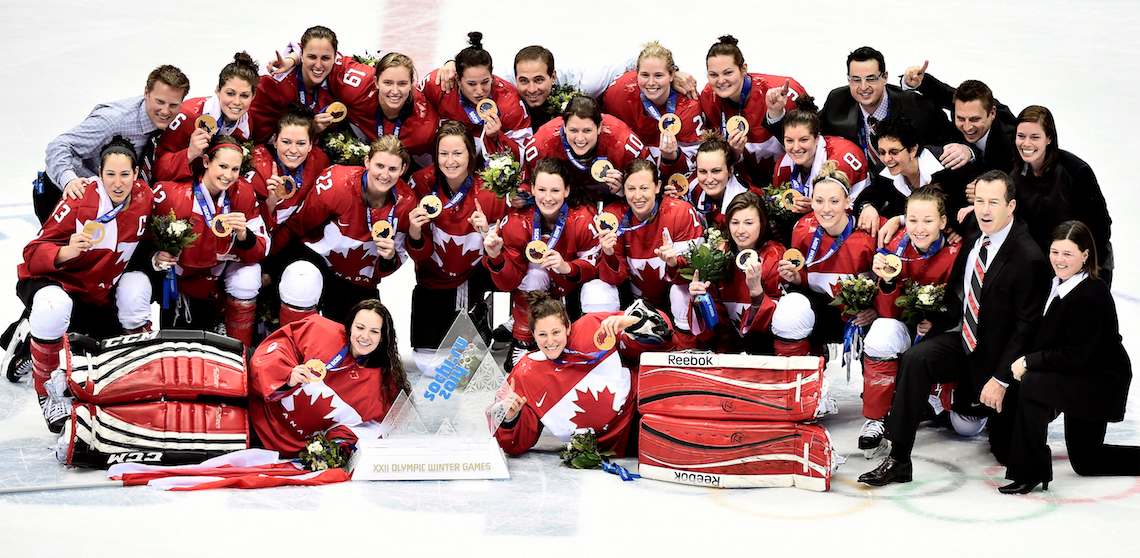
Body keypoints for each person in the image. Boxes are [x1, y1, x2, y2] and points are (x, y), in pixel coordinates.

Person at [859, 170, 1051, 487]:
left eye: (994, 202)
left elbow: (1027, 330)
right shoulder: (974, 230)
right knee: (916, 360)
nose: (985, 210)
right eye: (979, 201)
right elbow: (959, 292)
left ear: (1011, 206)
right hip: (965, 341)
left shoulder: (1029, 257)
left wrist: (1001, 380)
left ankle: (1004, 417)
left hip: (1001, 359)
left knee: (1005, 453)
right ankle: (898, 459)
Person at [17, 136, 155, 432]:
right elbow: (31, 253)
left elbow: (144, 245)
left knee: (137, 289)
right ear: (99, 174)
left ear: (136, 174)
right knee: (54, 307)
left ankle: (141, 380)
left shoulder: (145, 197)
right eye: (110, 174)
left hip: (100, 295)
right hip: (61, 283)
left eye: (125, 174)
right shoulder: (80, 198)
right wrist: (66, 251)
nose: (117, 183)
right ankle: (48, 393)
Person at [1001, 221, 1137, 493]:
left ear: (1085, 256)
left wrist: (1029, 362)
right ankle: (1031, 468)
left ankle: (1030, 471)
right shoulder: (1057, 283)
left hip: (1098, 381)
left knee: (1033, 385)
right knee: (1088, 461)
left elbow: (1073, 356)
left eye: (1068, 254)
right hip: (1079, 374)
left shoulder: (1089, 295)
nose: (1059, 260)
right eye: (1055, 252)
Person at [495, 291, 673, 456]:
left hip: (641, 412)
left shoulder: (593, 326)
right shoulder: (524, 374)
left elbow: (666, 339)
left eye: (556, 332)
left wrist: (633, 322)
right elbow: (512, 443)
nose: (550, 341)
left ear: (568, 327)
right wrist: (509, 417)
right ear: (533, 335)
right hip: (604, 449)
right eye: (542, 334)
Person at [271, 135, 416, 328]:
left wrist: (389, 257)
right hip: (316, 259)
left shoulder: (406, 202)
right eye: (379, 166)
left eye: (392, 169)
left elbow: (384, 270)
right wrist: (269, 266)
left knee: (361, 334)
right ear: (367, 161)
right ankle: (291, 348)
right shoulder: (338, 183)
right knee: (301, 279)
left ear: (403, 170)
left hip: (355, 281)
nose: (384, 175)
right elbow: (297, 226)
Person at [859, 187, 962, 452]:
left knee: (966, 427)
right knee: (881, 333)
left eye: (928, 221)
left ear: (942, 222)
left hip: (946, 335)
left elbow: (964, 306)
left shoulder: (957, 251)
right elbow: (888, 313)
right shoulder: (895, 246)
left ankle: (939, 398)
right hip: (907, 327)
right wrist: (888, 281)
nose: (919, 228)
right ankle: (876, 417)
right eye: (913, 220)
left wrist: (940, 325)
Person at [483, 158, 606, 370]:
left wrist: (568, 267)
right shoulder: (517, 220)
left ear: (567, 190)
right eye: (541, 190)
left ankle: (571, 332)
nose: (548, 198)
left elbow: (596, 267)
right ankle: (523, 337)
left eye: (555, 191)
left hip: (571, 289)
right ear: (532, 189)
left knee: (598, 291)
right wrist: (496, 256)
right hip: (537, 288)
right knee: (535, 274)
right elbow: (508, 282)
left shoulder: (583, 219)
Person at [406, 121, 509, 372]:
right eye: (443, 153)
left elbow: (509, 247)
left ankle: (481, 316)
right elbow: (414, 250)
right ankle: (477, 318)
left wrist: (486, 231)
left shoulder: (489, 189)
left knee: (461, 367)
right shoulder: (420, 183)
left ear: (470, 155)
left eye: (457, 153)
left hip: (476, 272)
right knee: (428, 365)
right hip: (434, 274)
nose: (450, 161)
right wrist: (414, 230)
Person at [248, 299, 410, 457]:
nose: (365, 336)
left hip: (277, 439)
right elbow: (279, 345)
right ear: (350, 326)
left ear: (382, 337)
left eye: (374, 331)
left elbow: (377, 429)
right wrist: (285, 375)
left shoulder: (383, 387)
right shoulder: (319, 330)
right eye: (360, 328)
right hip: (256, 389)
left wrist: (338, 444)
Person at [149, 135, 270, 348]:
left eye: (235, 169)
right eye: (222, 166)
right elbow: (139, 239)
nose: (228, 175)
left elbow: (261, 249)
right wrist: (155, 258)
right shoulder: (171, 194)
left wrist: (244, 236)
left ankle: (236, 351)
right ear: (206, 162)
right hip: (174, 283)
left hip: (214, 283)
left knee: (248, 277)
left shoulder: (243, 192)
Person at [37, 65, 189, 223]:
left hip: (110, 200)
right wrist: (69, 180)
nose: (165, 111)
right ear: (146, 93)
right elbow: (59, 145)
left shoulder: (170, 124)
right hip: (63, 197)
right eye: (160, 102)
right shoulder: (113, 121)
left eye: (173, 105)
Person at [771, 162, 878, 357]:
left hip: (863, 315)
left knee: (884, 334)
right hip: (824, 311)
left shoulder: (871, 231)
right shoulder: (803, 229)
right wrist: (794, 277)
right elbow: (805, 276)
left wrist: (877, 309)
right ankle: (795, 382)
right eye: (819, 201)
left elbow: (891, 280)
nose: (826, 209)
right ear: (812, 202)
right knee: (789, 310)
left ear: (848, 202)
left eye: (834, 201)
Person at [597, 159, 704, 350]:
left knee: (682, 292)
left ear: (657, 187)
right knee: (598, 288)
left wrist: (673, 263)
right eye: (631, 189)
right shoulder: (613, 217)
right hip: (631, 304)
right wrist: (609, 253)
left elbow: (694, 275)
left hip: (673, 301)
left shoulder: (680, 212)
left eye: (644, 188)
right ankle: (603, 349)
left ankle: (688, 351)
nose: (637, 196)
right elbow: (614, 278)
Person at [1009, 105, 1114, 286]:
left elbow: (1100, 227)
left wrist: (1082, 265)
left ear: (1049, 138)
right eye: (1021, 136)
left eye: (1035, 137)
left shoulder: (1075, 171)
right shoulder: (1015, 177)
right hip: (1048, 267)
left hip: (1089, 265)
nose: (1026, 144)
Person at [818, 47, 966, 175]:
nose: (863, 87)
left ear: (885, 77)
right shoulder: (837, 102)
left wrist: (967, 151)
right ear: (849, 80)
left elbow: (959, 141)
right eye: (856, 80)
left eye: (871, 79)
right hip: (860, 189)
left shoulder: (919, 108)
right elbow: (809, 130)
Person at [687, 191, 785, 354]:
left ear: (762, 223)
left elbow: (783, 322)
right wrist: (698, 300)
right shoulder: (718, 255)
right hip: (728, 347)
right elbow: (714, 325)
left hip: (766, 349)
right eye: (735, 222)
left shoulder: (776, 254)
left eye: (748, 223)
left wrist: (757, 293)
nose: (740, 230)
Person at [700, 35, 808, 179]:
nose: (721, 81)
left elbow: (813, 143)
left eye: (728, 73)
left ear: (743, 69)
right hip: (747, 184)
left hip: (791, 181)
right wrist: (735, 153)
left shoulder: (782, 92)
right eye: (713, 74)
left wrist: (777, 115)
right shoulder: (709, 97)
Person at [524, 95, 667, 201]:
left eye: (587, 131)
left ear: (599, 127)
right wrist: (523, 194)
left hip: (613, 204)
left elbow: (652, 183)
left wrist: (624, 189)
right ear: (564, 126)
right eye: (573, 130)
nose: (580, 139)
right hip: (558, 204)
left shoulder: (623, 141)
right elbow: (525, 182)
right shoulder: (542, 141)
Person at [855, 114, 972, 238]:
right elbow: (865, 198)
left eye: (894, 152)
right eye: (882, 152)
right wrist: (867, 207)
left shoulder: (947, 163)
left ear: (912, 150)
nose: (887, 159)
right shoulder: (883, 171)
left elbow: (971, 203)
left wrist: (961, 229)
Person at [420, 32, 532, 160]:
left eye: (485, 82)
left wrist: (497, 137)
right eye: (471, 84)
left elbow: (525, 157)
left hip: (487, 170)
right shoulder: (438, 84)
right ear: (457, 78)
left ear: (491, 75)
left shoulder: (510, 102)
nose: (480, 91)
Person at [770, 94, 869, 241]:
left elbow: (856, 206)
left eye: (803, 140)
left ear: (817, 137)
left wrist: (817, 207)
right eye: (789, 140)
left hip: (854, 227)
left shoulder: (842, 160)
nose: (796, 148)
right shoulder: (782, 166)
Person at [322, 52, 440, 169]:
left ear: (411, 84)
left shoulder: (424, 127)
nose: (395, 91)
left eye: (402, 84)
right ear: (376, 82)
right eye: (388, 83)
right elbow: (319, 51)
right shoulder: (355, 86)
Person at [153, 53, 260, 183]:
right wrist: (189, 154)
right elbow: (157, 168)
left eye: (244, 95)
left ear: (253, 96)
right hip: (182, 185)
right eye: (230, 93)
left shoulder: (246, 123)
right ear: (218, 91)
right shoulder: (188, 116)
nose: (237, 102)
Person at [900, 63, 1018, 174]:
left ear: (992, 113)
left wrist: (971, 153)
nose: (967, 127)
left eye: (975, 119)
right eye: (961, 119)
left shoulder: (1010, 141)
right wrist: (918, 81)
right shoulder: (963, 105)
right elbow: (941, 92)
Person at [601, 42, 703, 169]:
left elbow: (695, 168)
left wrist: (672, 157)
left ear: (672, 75)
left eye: (658, 75)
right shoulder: (618, 93)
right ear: (636, 73)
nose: (651, 83)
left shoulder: (689, 107)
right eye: (645, 75)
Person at [245, 104, 332, 238]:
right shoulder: (256, 169)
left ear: (310, 144)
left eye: (301, 143)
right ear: (275, 140)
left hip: (293, 241)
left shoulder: (320, 161)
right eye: (286, 142)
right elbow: (248, 232)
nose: (293, 150)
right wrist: (271, 202)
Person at [250, 26, 344, 143]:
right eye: (312, 57)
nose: (318, 65)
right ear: (301, 54)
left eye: (325, 58)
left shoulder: (338, 79)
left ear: (335, 57)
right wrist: (307, 128)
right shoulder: (274, 81)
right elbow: (258, 135)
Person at [686, 131, 762, 228]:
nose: (709, 179)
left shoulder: (751, 200)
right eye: (703, 171)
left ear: (730, 170)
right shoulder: (693, 188)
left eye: (716, 171)